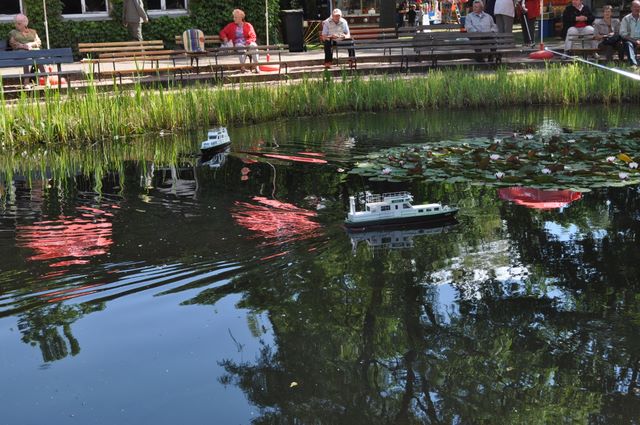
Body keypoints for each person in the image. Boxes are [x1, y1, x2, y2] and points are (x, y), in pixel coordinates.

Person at [219, 9, 261, 73]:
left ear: (241, 17)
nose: (234, 19)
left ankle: (256, 66)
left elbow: (253, 36)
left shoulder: (248, 25)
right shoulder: (231, 25)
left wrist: (248, 42)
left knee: (254, 46)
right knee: (240, 47)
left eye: (235, 17)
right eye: (234, 17)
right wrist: (225, 38)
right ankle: (242, 67)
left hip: (248, 42)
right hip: (238, 43)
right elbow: (222, 32)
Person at [619, 0, 640, 66]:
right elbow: (623, 34)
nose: (637, 8)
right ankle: (634, 65)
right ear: (631, 8)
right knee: (628, 44)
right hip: (630, 40)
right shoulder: (626, 19)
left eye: (639, 7)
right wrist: (635, 41)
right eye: (635, 7)